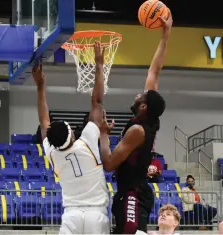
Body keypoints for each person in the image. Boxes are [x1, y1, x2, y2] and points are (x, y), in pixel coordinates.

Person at [99, 12, 173, 234]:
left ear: (144, 107)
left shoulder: (138, 130)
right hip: (131, 191)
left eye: (140, 96)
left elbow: (110, 163)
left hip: (133, 193)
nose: (137, 95)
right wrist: (166, 34)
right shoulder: (149, 119)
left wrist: (103, 134)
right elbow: (154, 71)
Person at [33, 42, 111, 234]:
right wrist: (99, 65)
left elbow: (44, 121)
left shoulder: (53, 152)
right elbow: (97, 101)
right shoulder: (87, 142)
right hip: (96, 214)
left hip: (72, 215)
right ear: (72, 133)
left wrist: (40, 86)